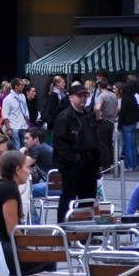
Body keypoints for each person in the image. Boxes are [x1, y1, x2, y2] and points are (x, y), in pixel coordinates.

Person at [53, 83, 101, 222]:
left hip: (89, 162)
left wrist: (96, 162)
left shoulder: (87, 115)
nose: (83, 98)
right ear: (71, 97)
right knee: (69, 197)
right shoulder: (64, 117)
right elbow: (60, 143)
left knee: (87, 199)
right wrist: (74, 160)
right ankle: (64, 229)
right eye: (80, 95)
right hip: (73, 164)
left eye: (85, 95)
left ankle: (84, 234)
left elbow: (93, 138)